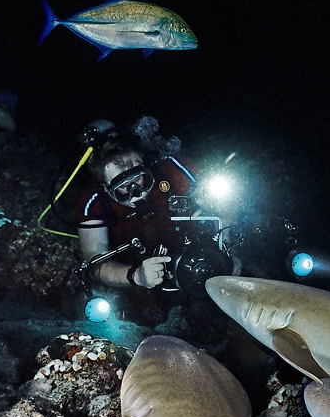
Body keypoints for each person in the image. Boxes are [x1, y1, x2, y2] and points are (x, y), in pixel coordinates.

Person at [73, 117, 236, 327]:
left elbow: (224, 206)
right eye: (122, 188)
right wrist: (136, 276)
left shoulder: (172, 169)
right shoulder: (92, 203)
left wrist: (228, 251)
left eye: (139, 180)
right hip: (139, 271)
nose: (136, 193)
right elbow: (95, 262)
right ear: (105, 187)